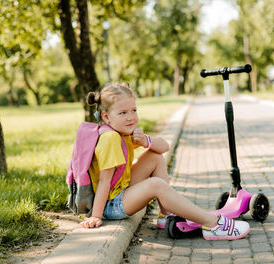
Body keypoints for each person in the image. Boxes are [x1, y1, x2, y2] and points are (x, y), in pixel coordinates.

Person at [80, 82, 250, 240]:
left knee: (155, 156)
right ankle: (213, 224)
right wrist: (96, 216)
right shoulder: (110, 138)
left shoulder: (121, 132)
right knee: (156, 185)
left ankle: (166, 214)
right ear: (106, 117)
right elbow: (104, 181)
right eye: (123, 113)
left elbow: (164, 147)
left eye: (134, 110)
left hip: (118, 192)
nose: (131, 117)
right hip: (110, 205)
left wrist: (146, 141)